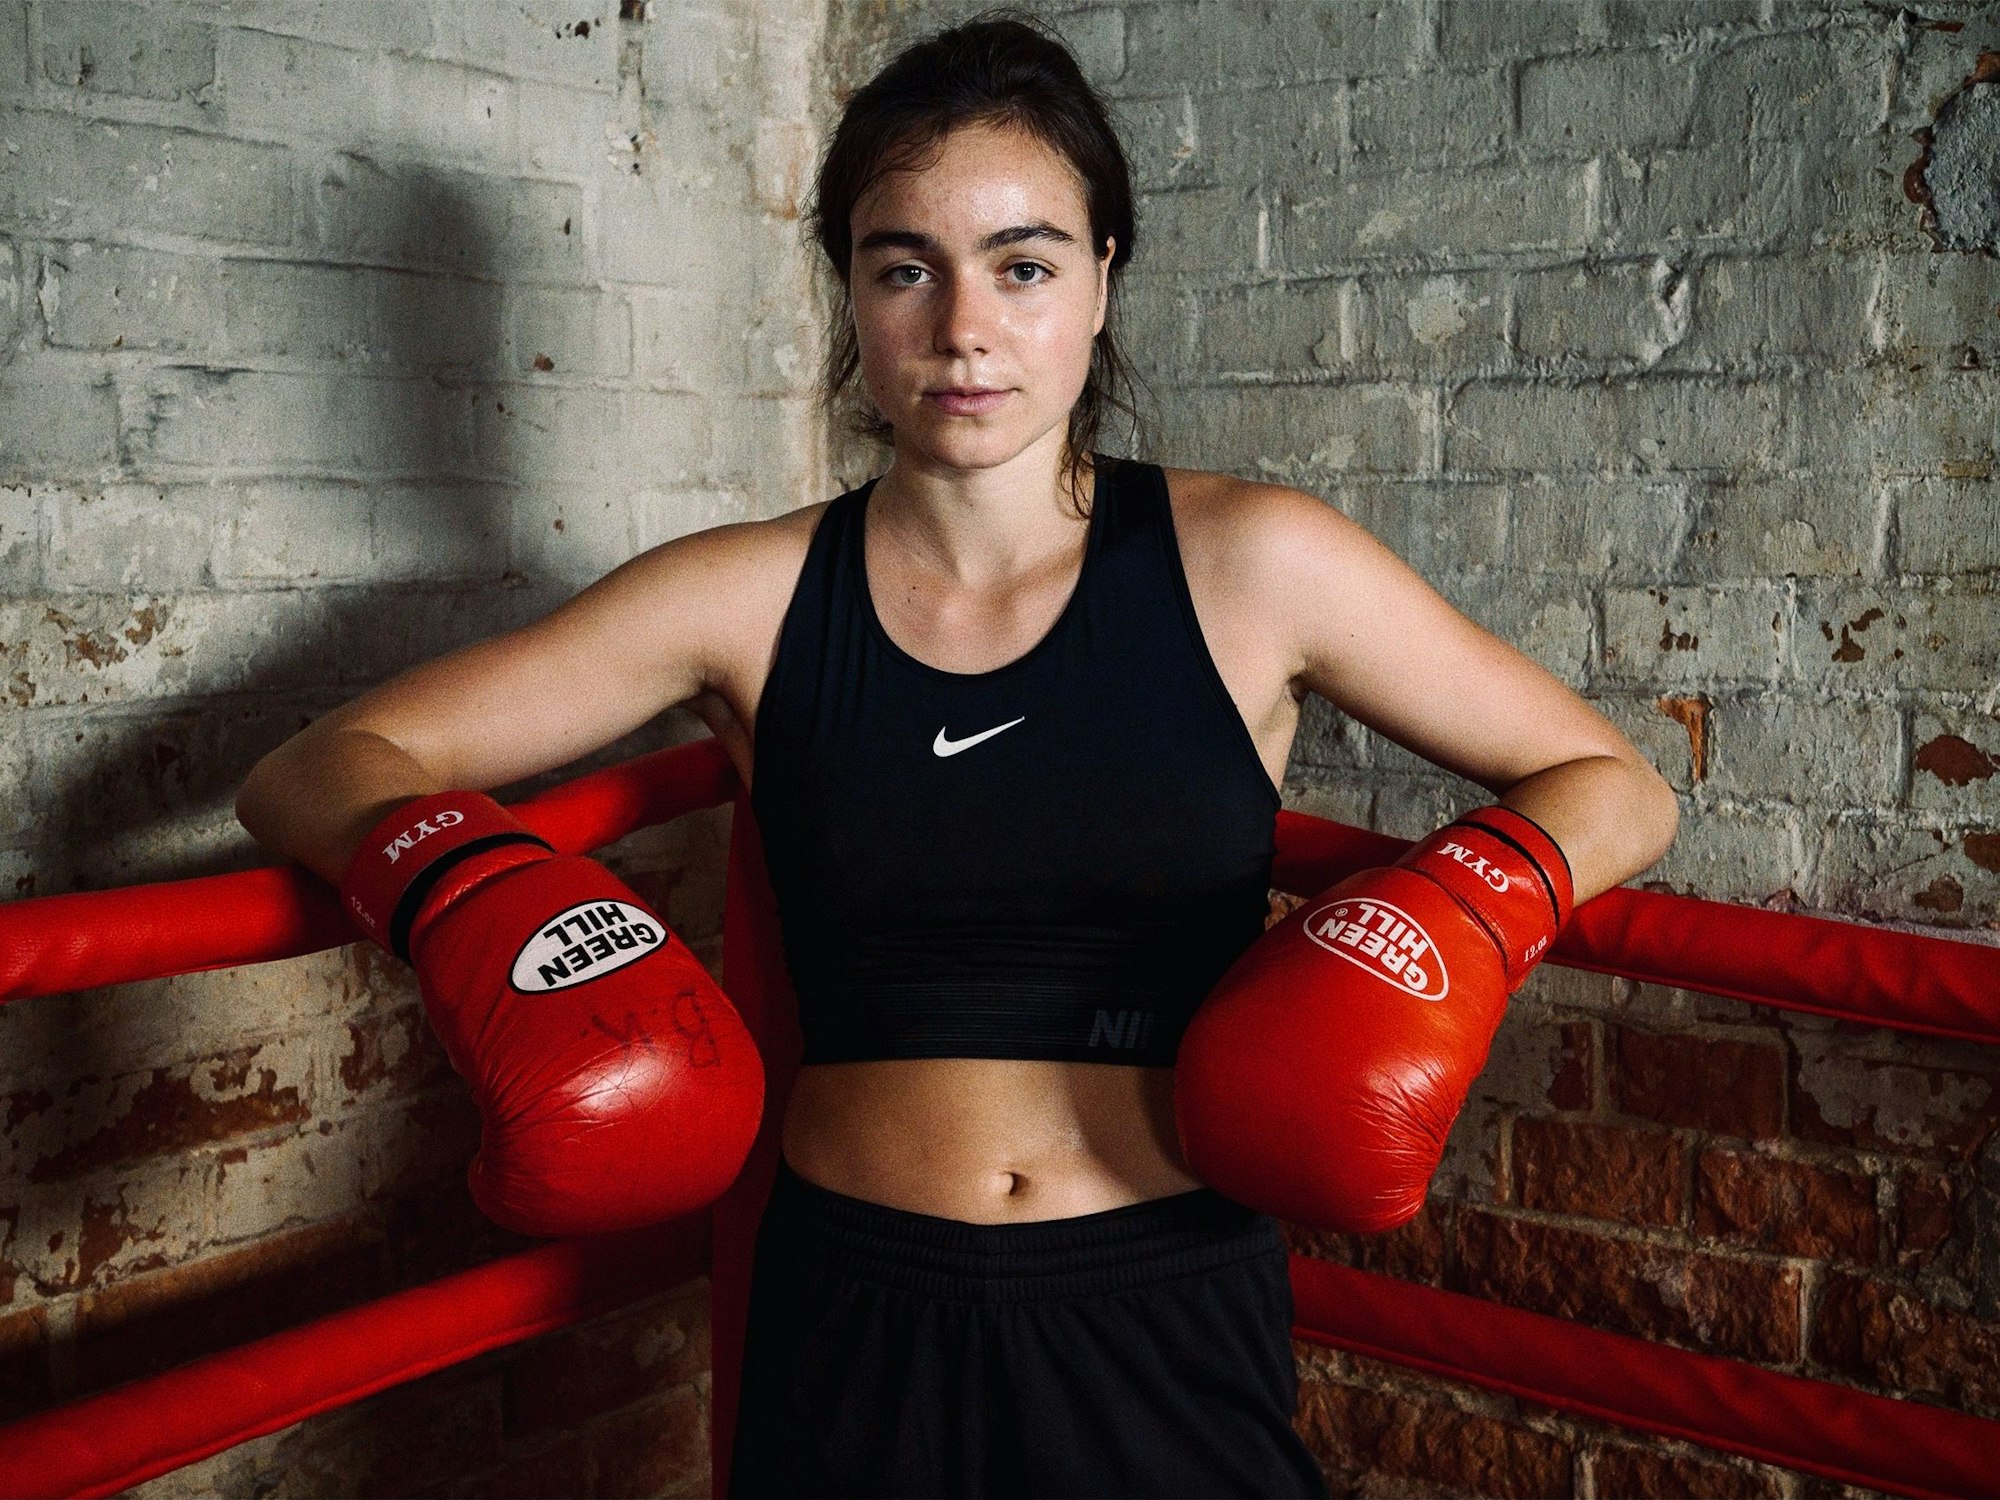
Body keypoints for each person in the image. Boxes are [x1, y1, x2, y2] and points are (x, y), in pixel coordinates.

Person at [236, 12, 1679, 1497]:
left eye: (1025, 263)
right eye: (902, 266)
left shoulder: (1257, 563)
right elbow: (323, 763)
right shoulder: (746, 594)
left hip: (1162, 1304)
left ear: (1104, 280)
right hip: (852, 1311)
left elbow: (1615, 783)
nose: (963, 327)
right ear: (852, 295)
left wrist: (1459, 909)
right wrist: (466, 888)